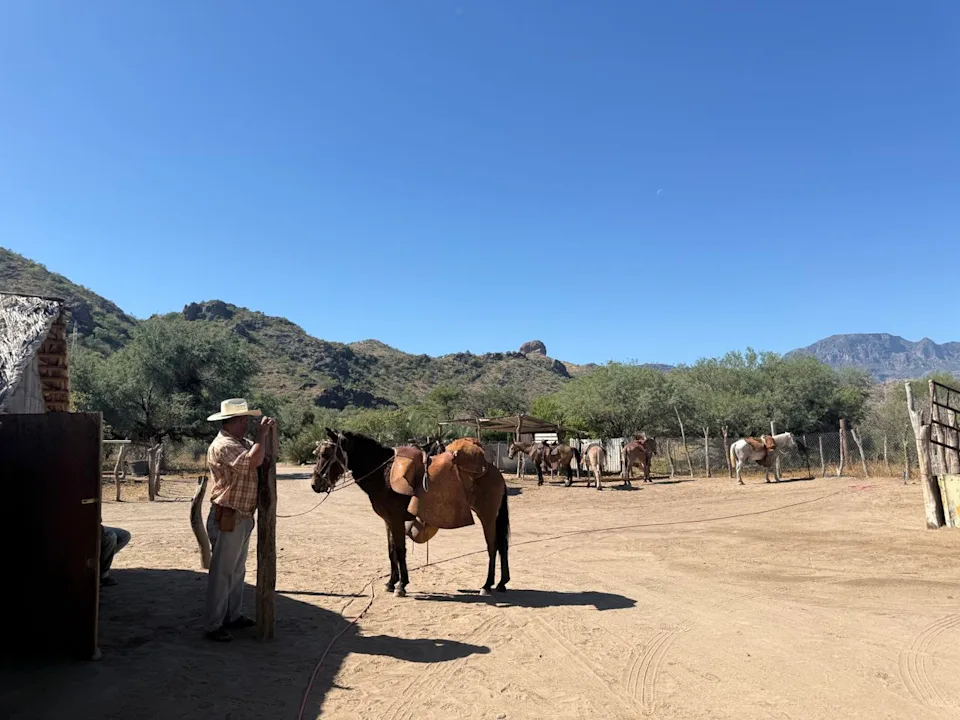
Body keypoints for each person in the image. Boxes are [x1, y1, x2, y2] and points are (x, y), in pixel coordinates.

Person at [203, 398, 276, 642]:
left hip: (240, 515)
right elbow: (253, 460)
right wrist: (262, 434)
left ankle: (232, 615)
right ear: (232, 421)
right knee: (223, 572)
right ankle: (214, 624)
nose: (247, 423)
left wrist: (263, 437)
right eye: (243, 420)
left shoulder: (237, 442)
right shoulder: (224, 445)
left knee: (236, 570)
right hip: (229, 514)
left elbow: (260, 454)